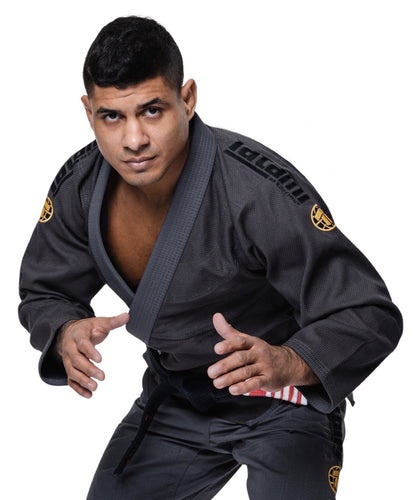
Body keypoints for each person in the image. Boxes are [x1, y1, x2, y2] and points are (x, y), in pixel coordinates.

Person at [18, 15, 403, 500]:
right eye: (111, 116)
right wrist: (62, 331)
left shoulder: (255, 190)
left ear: (187, 99)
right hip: (179, 397)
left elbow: (369, 312)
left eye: (152, 111)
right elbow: (45, 289)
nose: (133, 140)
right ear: (87, 111)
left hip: (282, 399)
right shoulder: (82, 186)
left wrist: (290, 361)